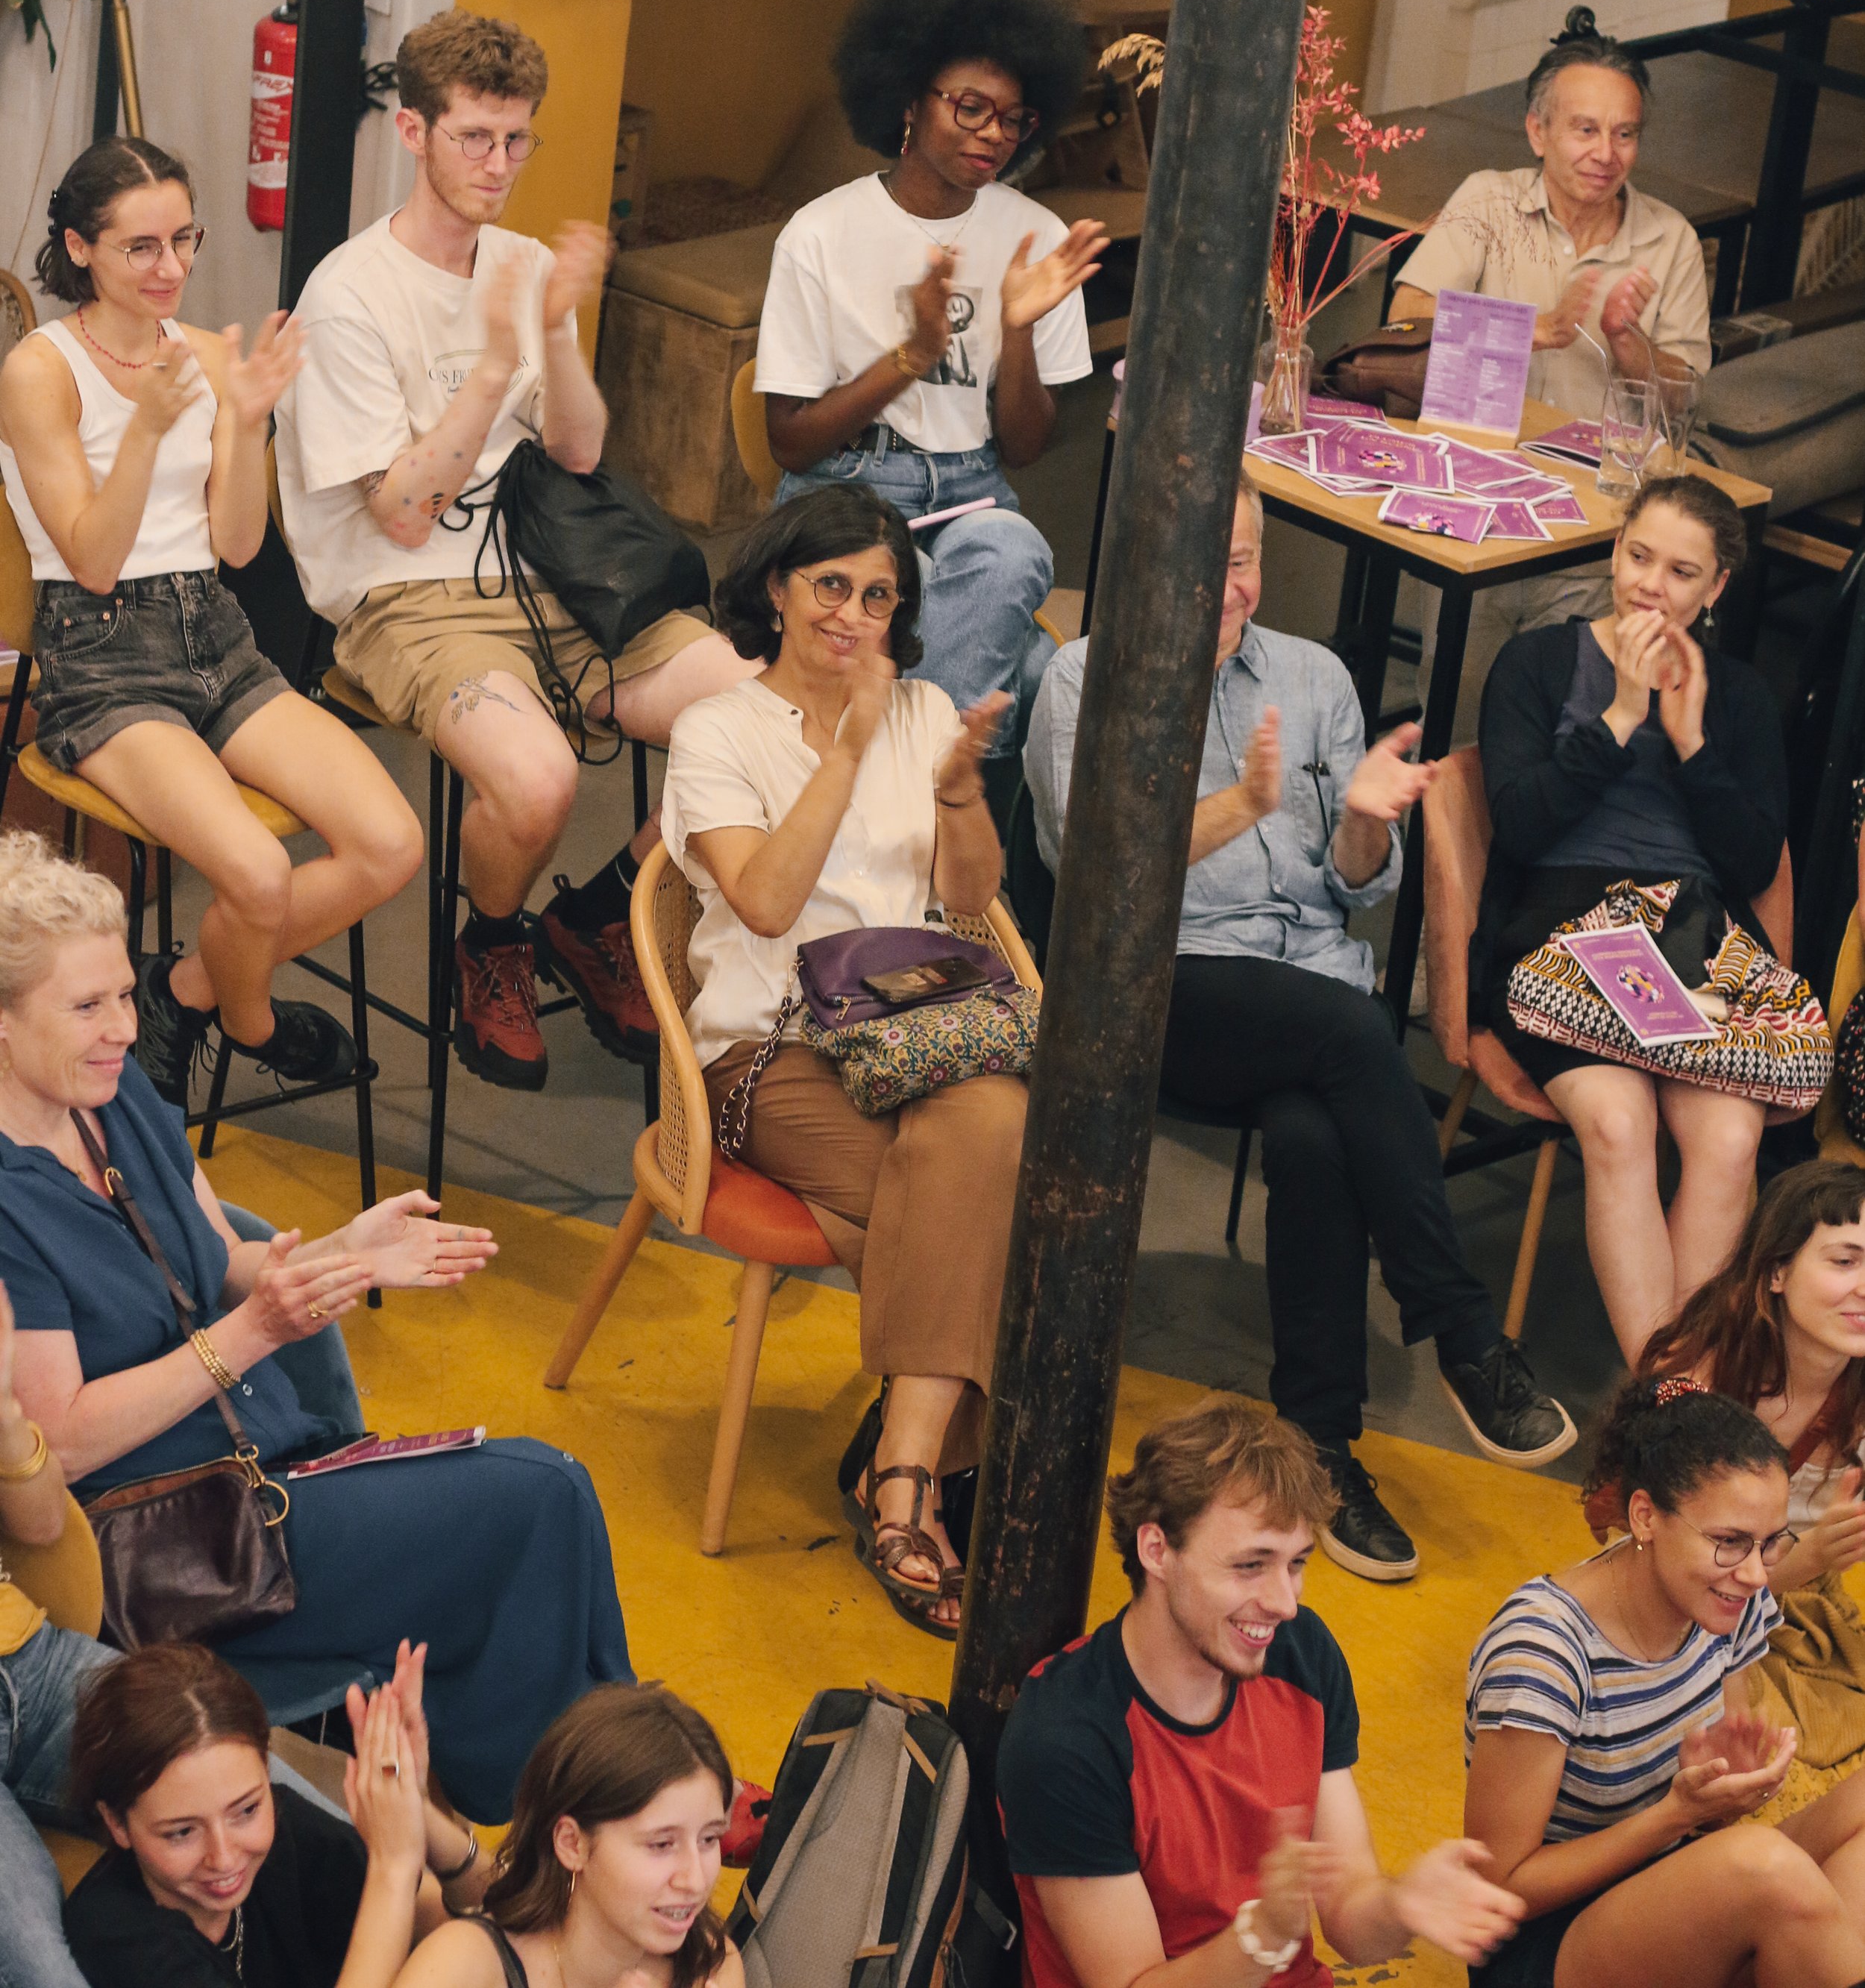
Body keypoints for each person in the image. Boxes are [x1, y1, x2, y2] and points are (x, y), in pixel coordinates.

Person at [0, 830, 630, 1824]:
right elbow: (63, 1439)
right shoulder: (6, 1200)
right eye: (88, 1005)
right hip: (181, 1545)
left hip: (272, 1477)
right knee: (540, 1499)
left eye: (126, 992)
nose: (127, 1024)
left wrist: (345, 1252)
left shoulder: (115, 1100)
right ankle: (583, 1812)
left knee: (543, 1509)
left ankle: (598, 1796)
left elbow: (220, 1257)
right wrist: (250, 1333)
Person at [1024, 466, 1575, 1581]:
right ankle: (1459, 1323)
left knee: (1321, 1130)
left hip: (1304, 988)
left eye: (1243, 558)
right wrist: (1237, 805)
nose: (1231, 586)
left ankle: (1321, 1448)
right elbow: (1102, 878)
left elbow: (1354, 884)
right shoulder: (1088, 678)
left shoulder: (1315, 675)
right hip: (1160, 988)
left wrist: (1368, 825)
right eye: (1206, 562)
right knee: (1354, 1034)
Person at [274, 8, 756, 1094]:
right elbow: (400, 514)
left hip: (556, 570)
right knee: (536, 782)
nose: (500, 165)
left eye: (517, 139)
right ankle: (491, 941)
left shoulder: (527, 260)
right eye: (474, 138)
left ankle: (594, 916)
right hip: (410, 597)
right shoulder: (350, 296)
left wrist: (546, 331)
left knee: (770, 722)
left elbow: (579, 446)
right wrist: (495, 364)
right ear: (413, 131)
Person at [661, 483, 1024, 1634]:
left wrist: (958, 786)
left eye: (879, 595)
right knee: (999, 1202)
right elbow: (765, 902)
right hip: (764, 1052)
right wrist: (849, 744)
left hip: (910, 1034)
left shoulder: (924, 711)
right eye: (831, 586)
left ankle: (898, 1467)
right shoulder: (719, 728)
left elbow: (969, 898)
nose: (853, 614)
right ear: (777, 587)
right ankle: (924, 1476)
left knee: (989, 1136)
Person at [0, 139, 424, 1100]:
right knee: (261, 877)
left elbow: (235, 547)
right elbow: (95, 561)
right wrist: (147, 431)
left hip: (214, 636)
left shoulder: (205, 354)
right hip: (102, 653)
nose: (172, 268)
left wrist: (249, 420)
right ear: (80, 250)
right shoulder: (42, 370)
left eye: (183, 239)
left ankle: (184, 989)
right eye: (140, 247)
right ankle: (254, 1018)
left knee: (390, 844)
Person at [997, 1394, 1526, 1988]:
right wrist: (1264, 1936)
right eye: (1251, 1565)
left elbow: (1351, 1921)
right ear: (1156, 1551)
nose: (1284, 1602)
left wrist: (1400, 1904)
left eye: (1296, 1563)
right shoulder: (1067, 1740)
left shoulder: (1302, 1656)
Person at [1472, 474, 1803, 1370]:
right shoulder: (1540, 664)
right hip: (1562, 935)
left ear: (1716, 589)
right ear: (1615, 549)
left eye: (1682, 571)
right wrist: (1619, 718)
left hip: (1691, 943)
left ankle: (1668, 1398)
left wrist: (1692, 745)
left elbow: (1750, 862)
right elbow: (1521, 826)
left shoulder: (1736, 697)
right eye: (1639, 555)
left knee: (1730, 1139)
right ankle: (1670, 1406)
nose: (1652, 585)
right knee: (1619, 1128)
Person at [754, 0, 1107, 789]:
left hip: (972, 491)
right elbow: (792, 443)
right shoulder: (821, 234)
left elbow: (1024, 447)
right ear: (911, 98)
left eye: (1013, 120)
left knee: (1015, 547)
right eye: (970, 107)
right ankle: (927, 824)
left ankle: (877, 788)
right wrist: (907, 360)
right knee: (1020, 678)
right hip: (845, 489)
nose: (992, 135)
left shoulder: (1034, 236)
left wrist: (1015, 332)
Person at [1465, 1381, 1865, 1988]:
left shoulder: (1730, 1601)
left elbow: (1709, 1834)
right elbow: (1497, 1889)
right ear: (1646, 1516)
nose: (1756, 1572)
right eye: (1728, 1542)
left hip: (1669, 1885)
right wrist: (1676, 1816)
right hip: (1545, 1945)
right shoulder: (1543, 1652)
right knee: (1767, 1866)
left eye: (1770, 1543)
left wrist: (1721, 1801)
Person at [1390, 31, 1714, 721]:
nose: (1606, 154)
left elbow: (1684, 391)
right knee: (1457, 730)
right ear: (1537, 131)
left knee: (1574, 733)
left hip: (1598, 544)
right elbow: (1406, 317)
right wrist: (1536, 328)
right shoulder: (1488, 200)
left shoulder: (1671, 237)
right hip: (1474, 518)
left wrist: (1627, 341)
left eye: (1625, 134)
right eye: (1586, 129)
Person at [1623, 1160, 1865, 1773]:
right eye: (1844, 1261)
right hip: (1685, 1602)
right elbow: (1652, 1565)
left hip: (1796, 1596)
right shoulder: (1701, 1383)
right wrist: (1808, 1559)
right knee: (1739, 1747)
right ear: (1777, 1270)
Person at [63, 1640, 489, 1988]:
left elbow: (484, 1914)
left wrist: (418, 1812)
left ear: (266, 1774)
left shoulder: (286, 1829)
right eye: (181, 1833)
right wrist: (393, 1867)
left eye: (246, 1810)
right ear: (117, 1823)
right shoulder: (115, 1935)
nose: (225, 1857)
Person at [386, 1683, 742, 1988]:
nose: (695, 1881)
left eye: (709, 1839)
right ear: (572, 1844)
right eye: (661, 1844)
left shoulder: (710, 1962)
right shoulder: (465, 1966)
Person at [1, 1276, 117, 1988]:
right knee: (37, 1963)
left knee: (256, 1785)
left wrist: (4, 1408)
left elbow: (43, 1527)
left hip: (31, 1660)